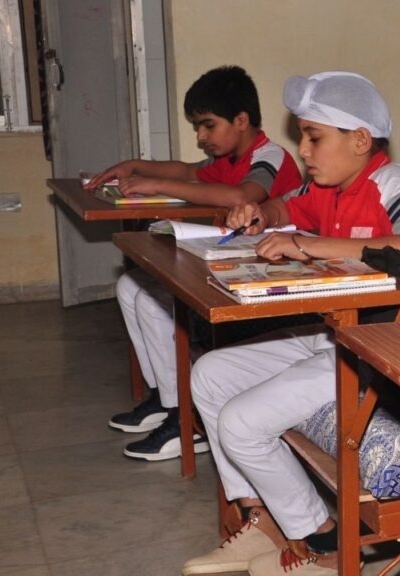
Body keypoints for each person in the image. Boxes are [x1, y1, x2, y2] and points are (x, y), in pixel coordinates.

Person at [182, 71, 400, 576]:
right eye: (302, 136)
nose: (302, 150)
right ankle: (264, 521)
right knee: (208, 373)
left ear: (360, 140)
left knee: (241, 423)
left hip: (375, 345)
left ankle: (323, 542)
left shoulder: (390, 181)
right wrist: (259, 213)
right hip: (331, 331)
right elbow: (284, 206)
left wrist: (309, 245)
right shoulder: (326, 186)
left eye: (314, 137)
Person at [91, 65, 304, 462]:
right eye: (197, 127)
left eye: (208, 125)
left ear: (241, 121)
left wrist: (155, 185)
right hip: (239, 259)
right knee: (130, 285)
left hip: (270, 272)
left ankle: (183, 416)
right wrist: (135, 166)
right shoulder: (228, 157)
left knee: (153, 297)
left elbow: (242, 196)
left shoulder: (268, 155)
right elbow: (188, 171)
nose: (201, 137)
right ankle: (166, 399)